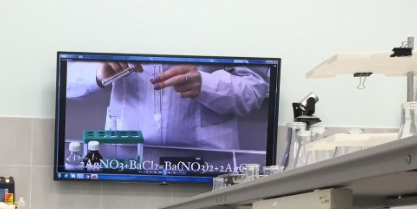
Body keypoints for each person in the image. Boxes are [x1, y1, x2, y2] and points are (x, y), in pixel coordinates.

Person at [65, 59, 270, 149]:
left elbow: (254, 90)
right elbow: (64, 78)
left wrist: (207, 84)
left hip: (208, 171)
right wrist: (98, 73)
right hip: (124, 164)